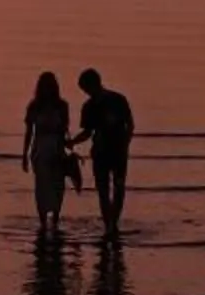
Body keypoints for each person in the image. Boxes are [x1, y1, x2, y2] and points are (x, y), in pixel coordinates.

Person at [76, 66, 135, 235]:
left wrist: (126, 143)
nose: (87, 93)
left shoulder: (117, 100)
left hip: (117, 151)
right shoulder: (89, 106)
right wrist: (72, 142)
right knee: (103, 191)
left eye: (86, 89)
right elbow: (88, 132)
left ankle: (113, 222)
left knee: (118, 187)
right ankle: (109, 224)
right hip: (101, 152)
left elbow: (130, 124)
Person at [21, 70, 72, 242]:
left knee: (58, 186)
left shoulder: (62, 106)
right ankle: (43, 221)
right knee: (42, 187)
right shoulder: (34, 106)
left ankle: (55, 218)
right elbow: (29, 132)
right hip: (40, 149)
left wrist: (67, 147)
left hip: (57, 148)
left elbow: (64, 130)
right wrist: (25, 155)